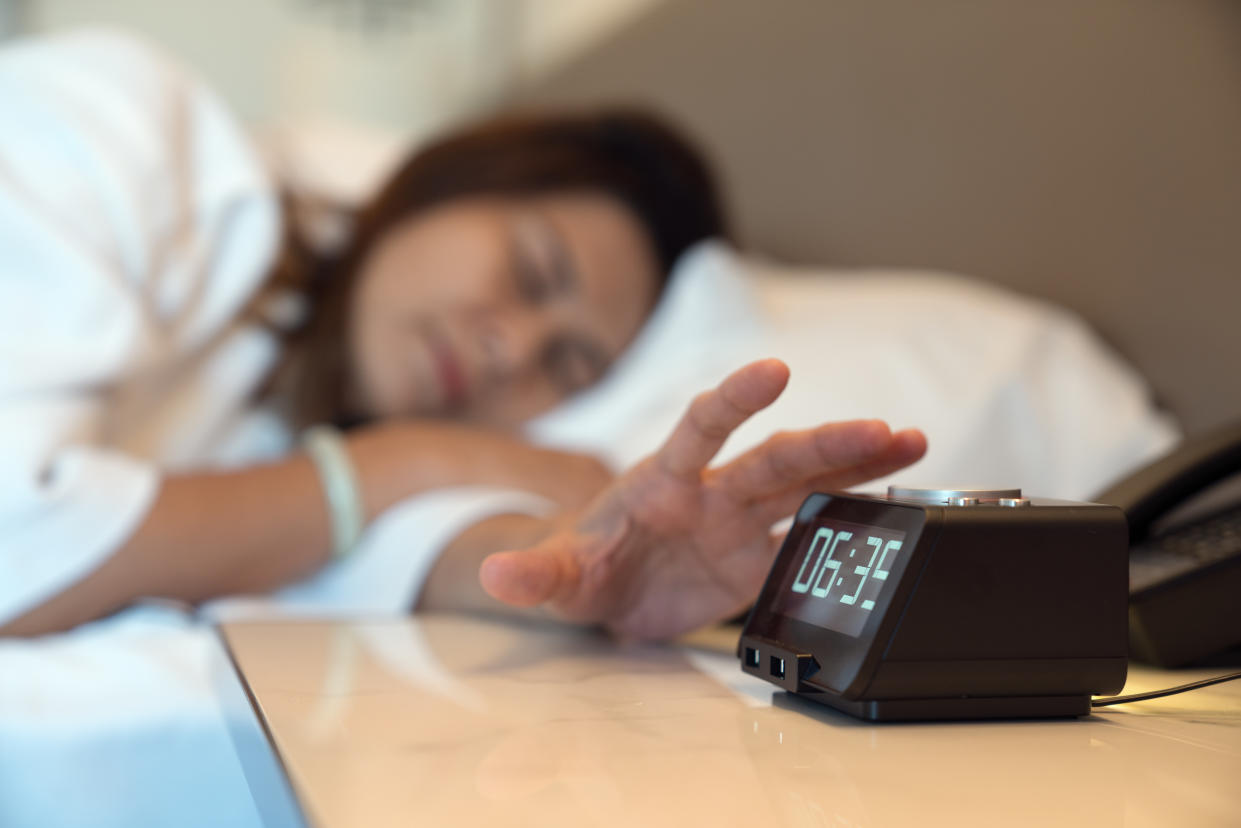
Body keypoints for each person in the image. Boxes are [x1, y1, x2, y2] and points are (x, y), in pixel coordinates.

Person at [0, 29, 926, 638]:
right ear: (461, 181)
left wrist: (590, 574)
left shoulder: (322, 422)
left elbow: (391, 547)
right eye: (531, 272)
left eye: (568, 362)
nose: (512, 349)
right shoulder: (116, 131)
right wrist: (400, 462)